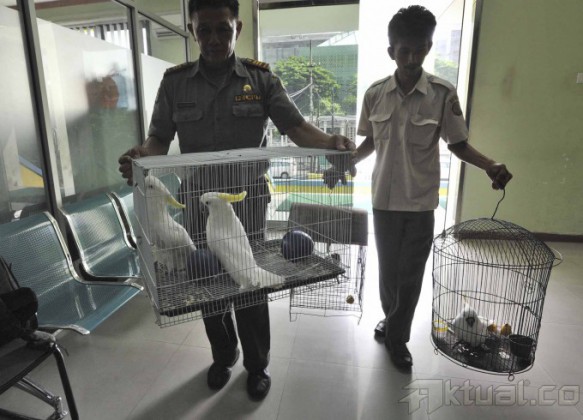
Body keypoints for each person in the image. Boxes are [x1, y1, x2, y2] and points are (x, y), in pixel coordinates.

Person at [118, 0, 355, 401]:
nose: (213, 39)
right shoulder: (175, 83)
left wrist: (331, 142)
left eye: (223, 30)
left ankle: (257, 365)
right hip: (196, 201)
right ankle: (223, 354)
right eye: (204, 30)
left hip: (247, 200)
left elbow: (296, 127)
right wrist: (141, 156)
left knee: (249, 280)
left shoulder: (260, 79)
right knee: (207, 276)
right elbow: (158, 138)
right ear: (192, 30)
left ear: (237, 29)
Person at [351, 5, 512, 370]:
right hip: (384, 201)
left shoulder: (442, 94)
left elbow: (457, 144)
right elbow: (370, 142)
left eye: (419, 49)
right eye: (404, 50)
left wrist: (489, 165)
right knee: (388, 274)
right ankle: (391, 319)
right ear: (391, 51)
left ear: (428, 47)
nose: (412, 58)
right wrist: (345, 164)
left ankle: (397, 338)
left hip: (421, 203)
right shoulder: (375, 94)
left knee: (410, 276)